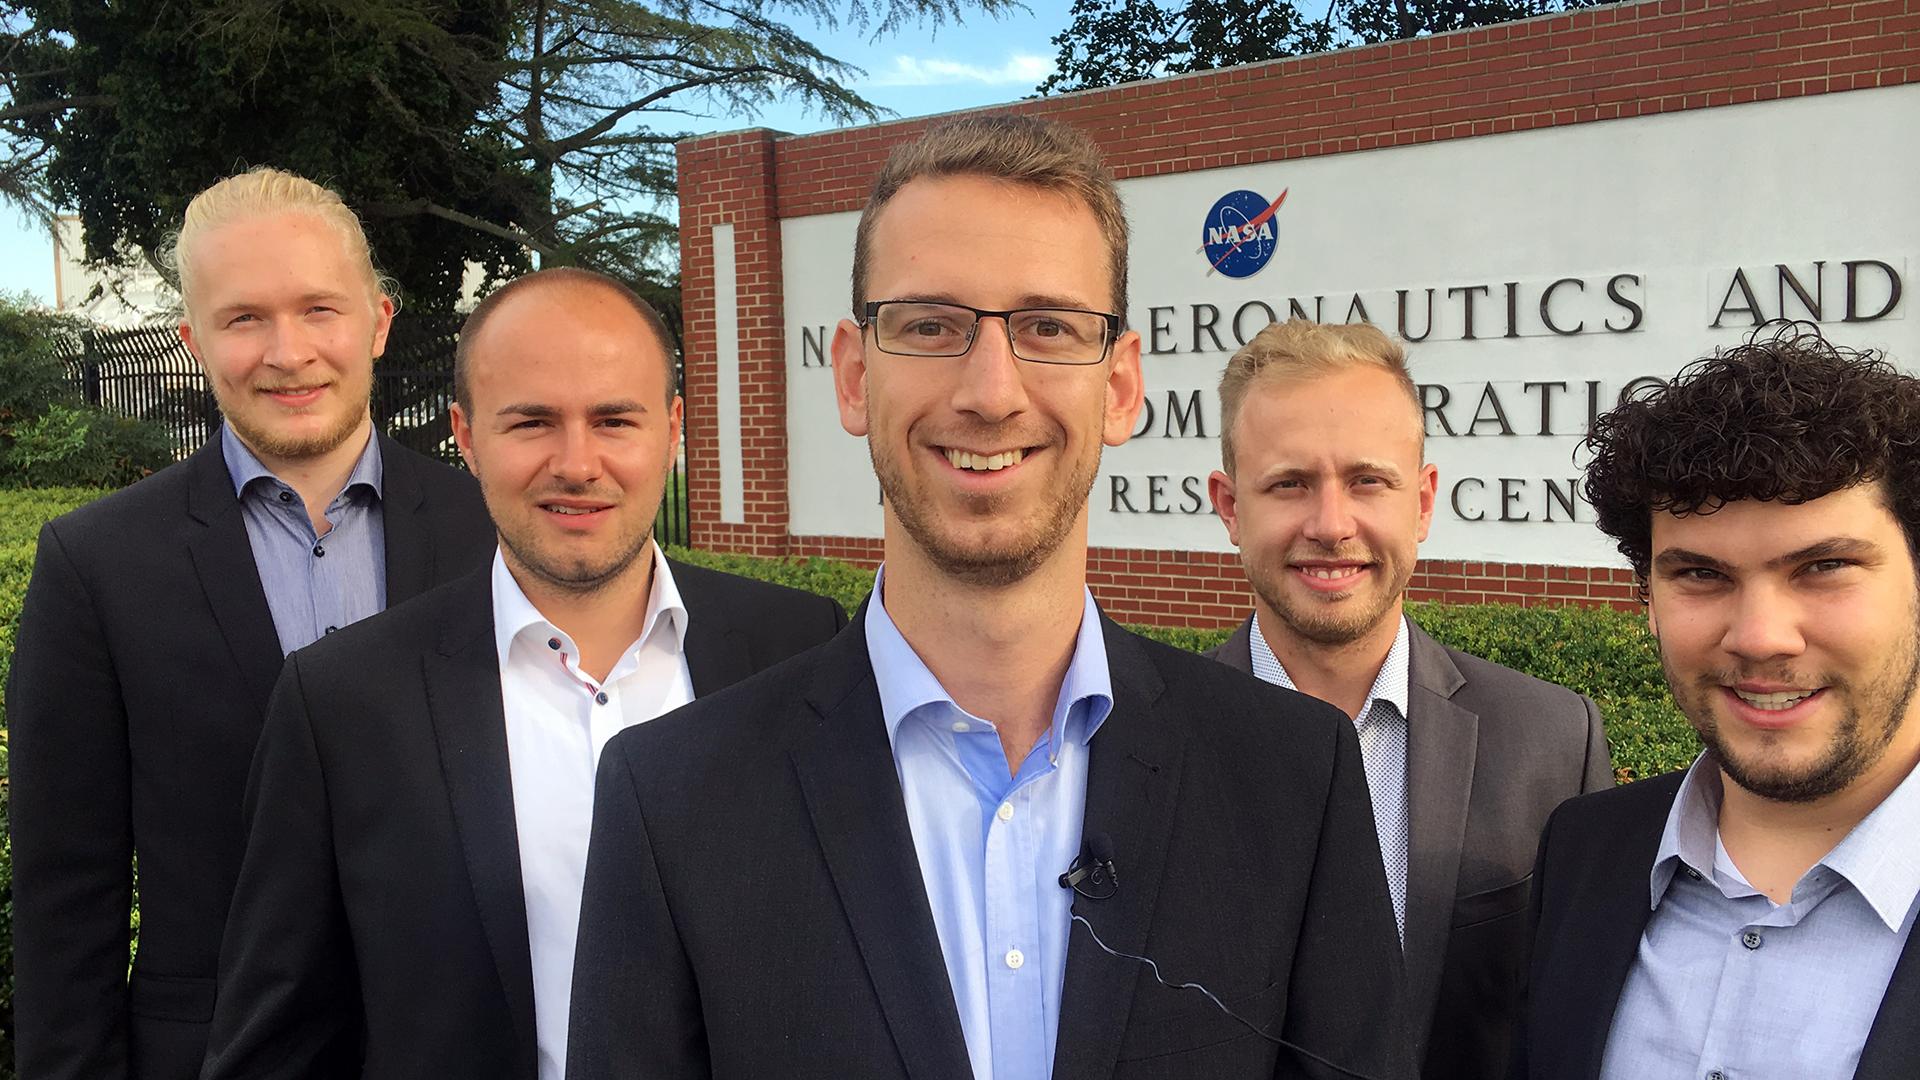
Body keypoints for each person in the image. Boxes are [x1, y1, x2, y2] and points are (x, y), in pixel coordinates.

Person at [566, 115, 1409, 1080]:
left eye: (1049, 327)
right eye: (930, 325)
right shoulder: (674, 802)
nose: (992, 391)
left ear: (1120, 387)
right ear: (854, 375)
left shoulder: (1293, 780)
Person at [198, 267, 847, 1080]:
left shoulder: (802, 649)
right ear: (466, 437)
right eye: (532, 422)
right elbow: (278, 1047)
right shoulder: (342, 704)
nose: (577, 463)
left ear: (673, 429)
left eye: (614, 420)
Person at [6, 167, 494, 1080]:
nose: (287, 351)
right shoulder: (97, 564)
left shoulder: (493, 535)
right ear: (194, 341)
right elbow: (64, 894)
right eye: (243, 319)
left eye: (319, 310)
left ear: (379, 322)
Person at [1203, 319, 1611, 1079]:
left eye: (1368, 480)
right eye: (1289, 483)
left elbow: (1576, 1025)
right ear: (1230, 506)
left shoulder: (1553, 742)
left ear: (1421, 503)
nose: (1332, 525)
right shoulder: (1142, 742)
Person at [1515, 322, 1920, 1080]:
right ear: (1649, 599)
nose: (1760, 637)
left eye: (1823, 566)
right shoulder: (1585, 850)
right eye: (1701, 574)